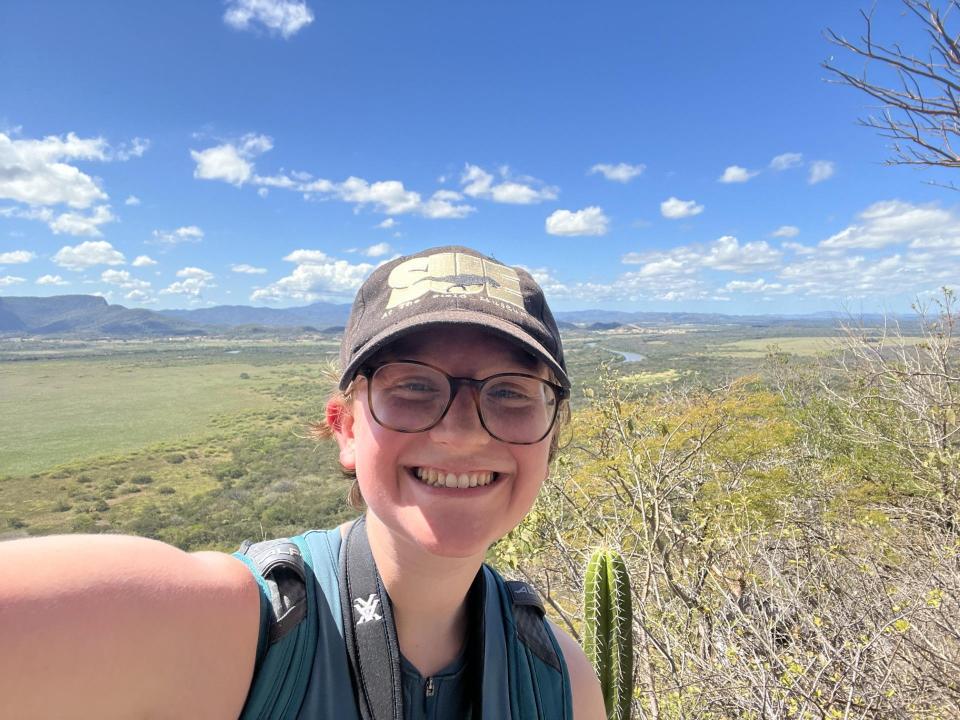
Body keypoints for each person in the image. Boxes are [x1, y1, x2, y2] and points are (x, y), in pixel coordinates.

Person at [0, 245, 606, 719]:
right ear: (344, 429)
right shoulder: (233, 630)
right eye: (413, 386)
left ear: (550, 438)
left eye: (510, 393)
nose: (461, 433)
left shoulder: (559, 684)